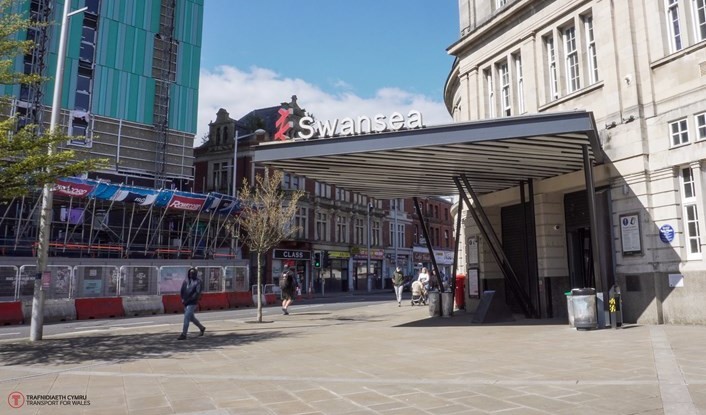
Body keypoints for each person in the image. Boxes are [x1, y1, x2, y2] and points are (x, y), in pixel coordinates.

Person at [178, 267, 206, 340]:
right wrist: (183, 299)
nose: (191, 274)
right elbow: (182, 291)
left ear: (195, 274)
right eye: (190, 273)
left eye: (193, 273)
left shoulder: (198, 282)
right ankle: (201, 328)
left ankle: (184, 334)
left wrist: (190, 300)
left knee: (186, 317)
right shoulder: (186, 281)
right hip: (186, 302)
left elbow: (197, 293)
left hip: (192, 303)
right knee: (192, 318)